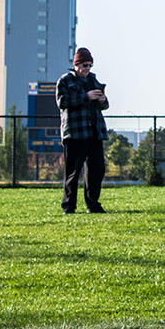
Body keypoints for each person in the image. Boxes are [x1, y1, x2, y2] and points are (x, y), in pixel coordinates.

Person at [56, 47, 109, 214]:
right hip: (75, 133)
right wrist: (86, 97)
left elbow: (105, 106)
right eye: (85, 65)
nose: (87, 69)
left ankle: (93, 205)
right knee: (73, 172)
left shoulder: (93, 80)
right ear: (76, 65)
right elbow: (62, 102)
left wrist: (102, 99)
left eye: (90, 65)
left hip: (95, 132)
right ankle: (69, 206)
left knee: (96, 170)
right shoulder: (65, 81)